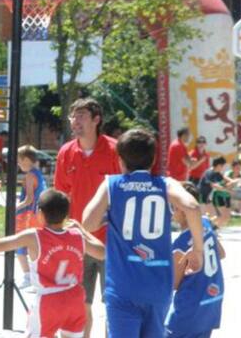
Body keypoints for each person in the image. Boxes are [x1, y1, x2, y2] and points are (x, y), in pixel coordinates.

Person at [82, 128, 204, 338]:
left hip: (123, 286)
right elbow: (192, 207)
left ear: (120, 160)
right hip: (158, 286)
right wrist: (198, 250)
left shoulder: (112, 184)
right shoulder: (166, 184)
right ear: (153, 158)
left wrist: (109, 216)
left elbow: (88, 222)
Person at [0, 189, 105, 338]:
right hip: (74, 297)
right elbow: (102, 252)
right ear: (67, 215)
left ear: (40, 214)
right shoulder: (77, 236)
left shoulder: (34, 236)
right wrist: (83, 231)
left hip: (48, 300)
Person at [53, 97, 121, 338]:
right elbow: (60, 196)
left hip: (111, 241)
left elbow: (124, 193)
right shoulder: (66, 152)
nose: (75, 121)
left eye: (81, 116)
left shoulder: (115, 150)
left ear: (96, 120)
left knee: (113, 306)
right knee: (80, 306)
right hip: (77, 240)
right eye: (73, 116)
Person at [165, 182, 226, 338]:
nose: (169, 211)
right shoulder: (205, 223)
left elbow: (174, 284)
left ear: (182, 209)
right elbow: (221, 253)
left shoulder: (180, 244)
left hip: (192, 304)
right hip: (212, 298)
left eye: (172, 206)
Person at [15, 144, 47, 289]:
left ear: (27, 160)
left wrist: (15, 207)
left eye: (19, 160)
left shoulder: (29, 176)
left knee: (20, 247)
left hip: (28, 216)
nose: (18, 163)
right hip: (38, 215)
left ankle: (28, 276)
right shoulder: (38, 174)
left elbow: (28, 199)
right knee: (35, 248)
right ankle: (37, 278)